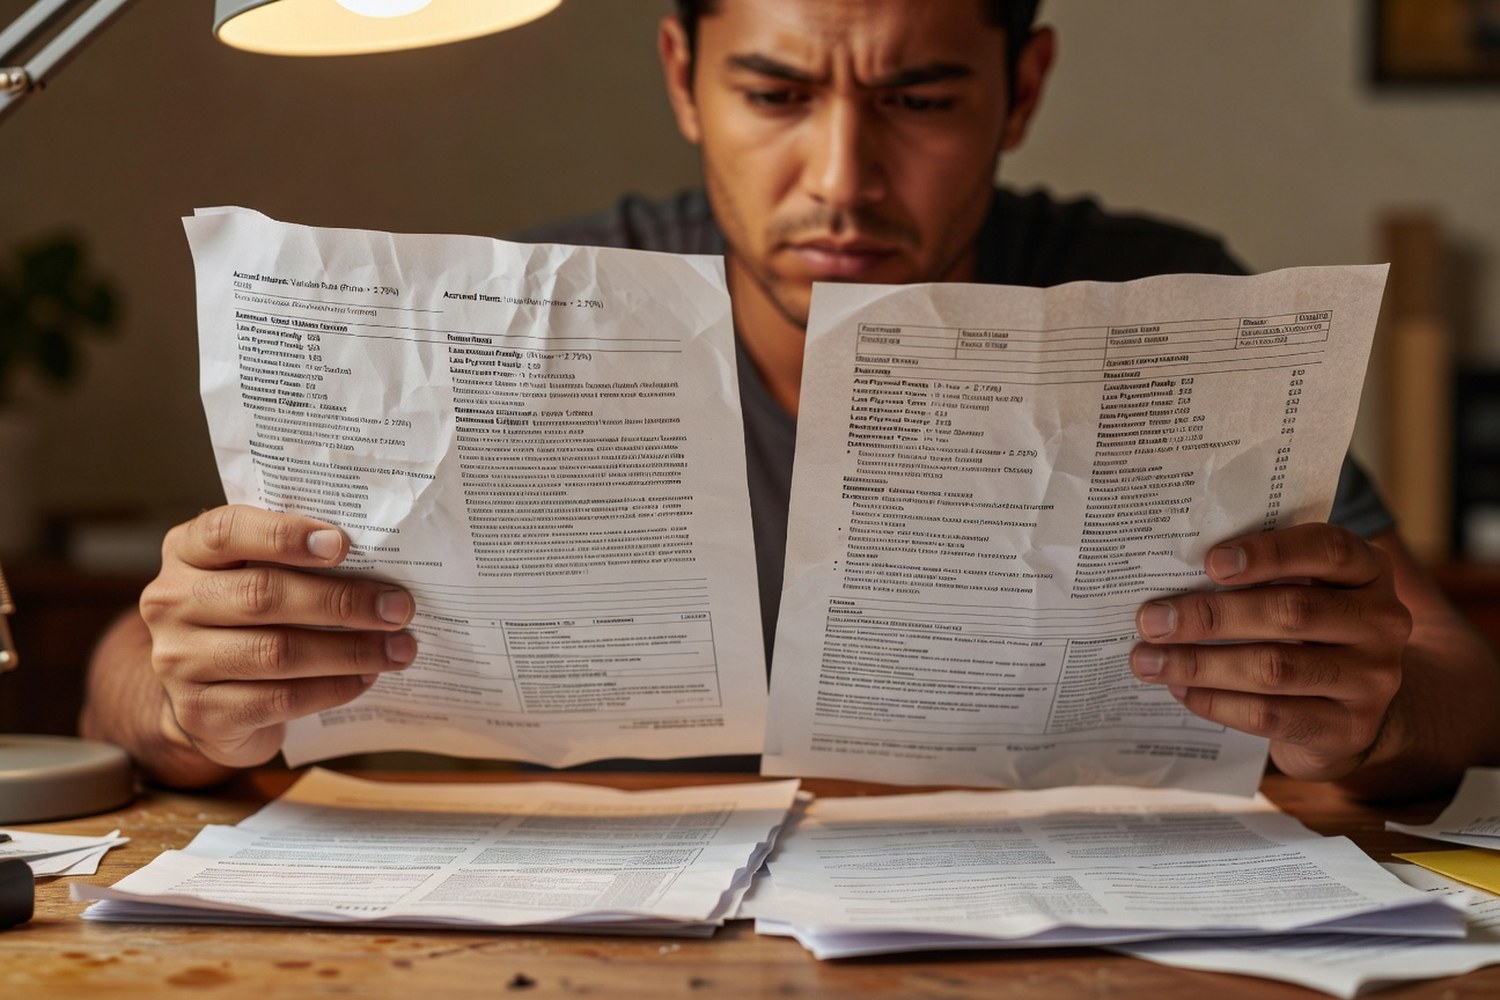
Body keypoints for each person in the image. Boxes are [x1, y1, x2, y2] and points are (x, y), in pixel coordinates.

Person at [82, 0, 1500, 798]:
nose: (841, 179)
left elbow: (1446, 674)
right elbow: (121, 690)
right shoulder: (527, 313)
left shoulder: (1154, 303)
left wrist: (1364, 707)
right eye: (774, 95)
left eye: (922, 102)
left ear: (1023, 91)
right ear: (682, 77)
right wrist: (196, 688)